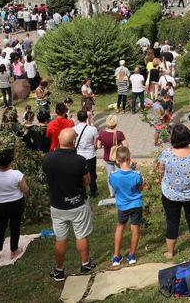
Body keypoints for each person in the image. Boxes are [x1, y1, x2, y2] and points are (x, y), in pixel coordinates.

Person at [42, 128, 95, 282]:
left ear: (59, 140)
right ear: (73, 142)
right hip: (77, 203)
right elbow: (87, 181)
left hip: (57, 205)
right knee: (82, 234)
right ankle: (85, 264)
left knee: (60, 238)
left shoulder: (47, 159)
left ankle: (59, 270)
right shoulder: (79, 161)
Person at [157, 123, 190, 259]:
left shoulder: (166, 154)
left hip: (171, 194)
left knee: (172, 222)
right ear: (188, 136)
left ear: (173, 138)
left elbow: (161, 170)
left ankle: (170, 252)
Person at [0, 148, 30, 262]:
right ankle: (14, 250)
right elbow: (25, 189)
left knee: (0, 228)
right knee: (15, 227)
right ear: (10, 162)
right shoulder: (17, 174)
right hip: (16, 204)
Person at [108, 146, 143, 267]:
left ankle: (116, 256)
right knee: (135, 228)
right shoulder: (137, 175)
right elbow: (140, 189)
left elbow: (114, 187)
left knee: (120, 227)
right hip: (136, 204)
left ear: (117, 160)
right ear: (129, 158)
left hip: (122, 206)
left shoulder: (113, 175)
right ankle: (132, 255)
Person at [97, 116, 127, 199]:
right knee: (120, 174)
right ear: (115, 123)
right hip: (118, 158)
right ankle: (121, 191)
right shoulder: (119, 133)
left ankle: (112, 193)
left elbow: (98, 145)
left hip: (108, 157)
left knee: (110, 175)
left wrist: (105, 145)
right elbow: (126, 145)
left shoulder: (102, 133)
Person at [73, 110, 100, 197]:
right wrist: (94, 148)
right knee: (92, 173)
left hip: (79, 155)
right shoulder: (93, 129)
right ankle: (93, 191)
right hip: (91, 155)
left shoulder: (74, 129)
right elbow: (95, 144)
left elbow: (73, 143)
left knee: (80, 174)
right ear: (87, 118)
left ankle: (82, 191)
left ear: (77, 118)